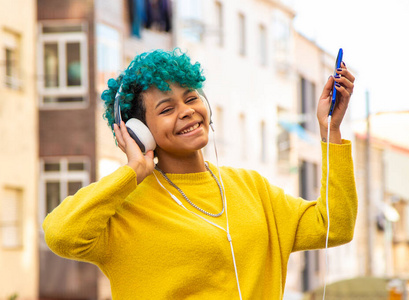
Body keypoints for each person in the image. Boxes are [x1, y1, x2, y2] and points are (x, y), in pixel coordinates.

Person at [43, 48, 357, 299]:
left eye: (191, 97)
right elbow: (60, 234)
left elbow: (335, 226)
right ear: (139, 132)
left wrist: (330, 132)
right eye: (166, 109)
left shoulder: (252, 188)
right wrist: (132, 172)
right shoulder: (123, 208)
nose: (187, 110)